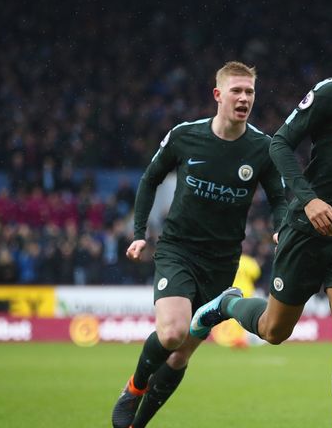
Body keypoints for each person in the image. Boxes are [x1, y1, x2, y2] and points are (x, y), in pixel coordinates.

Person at [191, 23, 332, 428]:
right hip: (307, 231)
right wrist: (309, 201)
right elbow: (279, 144)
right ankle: (226, 304)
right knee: (274, 331)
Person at [111, 61, 287, 428]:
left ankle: (136, 425)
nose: (244, 98)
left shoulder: (262, 148)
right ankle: (134, 387)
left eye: (250, 92)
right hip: (178, 250)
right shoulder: (185, 136)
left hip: (221, 262)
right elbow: (150, 178)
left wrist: (281, 228)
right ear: (218, 95)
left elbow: (279, 199)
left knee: (180, 357)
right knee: (172, 333)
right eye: (236, 91)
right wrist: (140, 231)